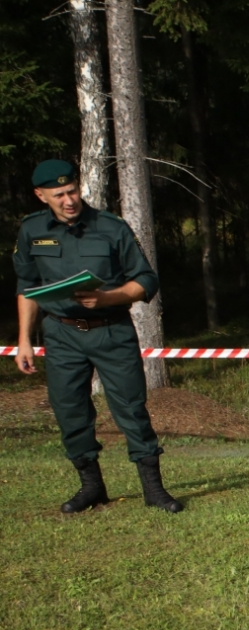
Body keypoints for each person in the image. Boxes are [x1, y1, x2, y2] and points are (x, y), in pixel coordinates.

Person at [12, 159, 181, 514]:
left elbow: (146, 280)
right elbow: (27, 287)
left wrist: (109, 297)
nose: (69, 199)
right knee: (69, 411)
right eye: (58, 194)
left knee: (131, 410)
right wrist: (24, 340)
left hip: (111, 331)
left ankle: (154, 490)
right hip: (60, 334)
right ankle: (91, 487)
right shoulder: (30, 230)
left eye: (72, 190)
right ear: (40, 196)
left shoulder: (110, 227)